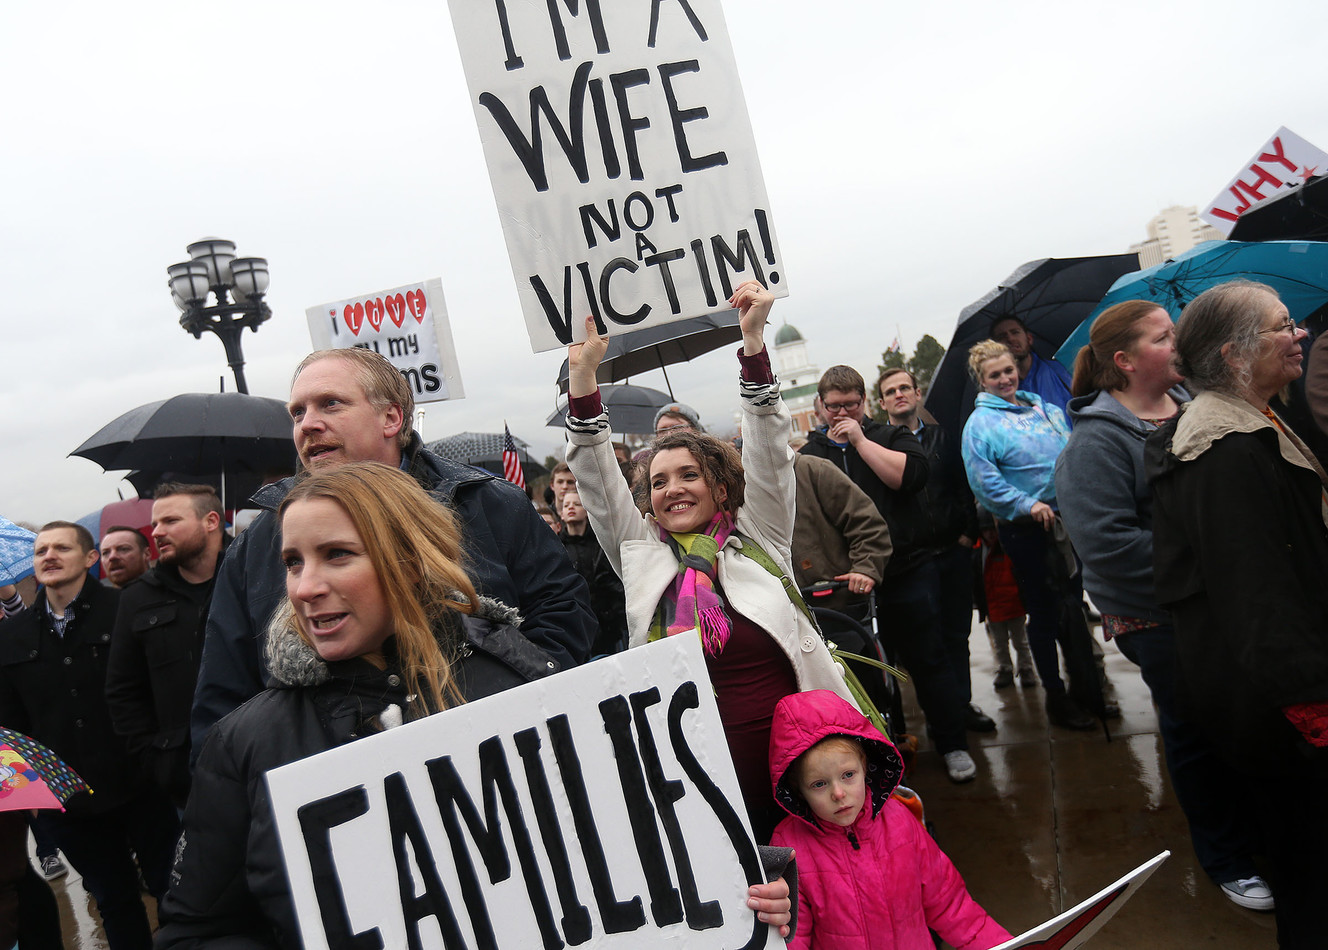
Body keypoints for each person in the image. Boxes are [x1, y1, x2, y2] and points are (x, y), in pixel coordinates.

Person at [157, 462, 791, 946]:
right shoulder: (246, 744)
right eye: (292, 562)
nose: (306, 587)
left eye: (337, 555)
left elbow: (611, 850)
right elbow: (198, 930)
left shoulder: (516, 682)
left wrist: (736, 880)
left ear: (409, 562)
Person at [191, 347, 596, 759]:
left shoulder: (490, 503)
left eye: (330, 403)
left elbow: (562, 617)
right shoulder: (256, 547)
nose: (308, 424)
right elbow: (224, 701)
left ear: (391, 418)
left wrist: (514, 702)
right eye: (297, 413)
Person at [565, 281, 861, 839]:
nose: (671, 489)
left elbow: (771, 451)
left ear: (720, 488)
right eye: (657, 482)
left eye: (688, 475)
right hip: (692, 776)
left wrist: (752, 343)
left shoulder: (760, 535)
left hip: (802, 770)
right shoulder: (643, 553)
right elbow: (599, 484)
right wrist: (584, 381)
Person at [1055, 300, 1270, 911]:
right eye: (1163, 336)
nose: (1178, 343)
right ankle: (1226, 858)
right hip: (1160, 618)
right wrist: (1219, 550)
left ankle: (1258, 835)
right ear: (1124, 362)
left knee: (1243, 725)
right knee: (1197, 732)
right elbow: (1108, 545)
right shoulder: (1093, 445)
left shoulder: (1199, 410)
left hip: (1227, 604)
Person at [1147, 281, 1328, 947]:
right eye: (1283, 326)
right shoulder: (1223, 450)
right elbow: (1256, 593)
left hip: (1278, 693)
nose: (1300, 334)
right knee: (1310, 871)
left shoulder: (1258, 417)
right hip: (1280, 709)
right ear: (1237, 354)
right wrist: (1311, 704)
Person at [0, 522, 178, 950]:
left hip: (140, 783)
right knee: (114, 902)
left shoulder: (126, 609)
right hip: (71, 801)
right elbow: (10, 723)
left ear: (90, 557)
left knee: (172, 891)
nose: (49, 556)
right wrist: (30, 797)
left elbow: (159, 691)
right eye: (42, 550)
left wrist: (162, 760)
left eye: (62, 547)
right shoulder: (13, 636)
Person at [802, 365, 978, 783]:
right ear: (821, 407)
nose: (842, 413)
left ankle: (952, 742)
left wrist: (860, 440)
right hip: (849, 584)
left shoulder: (889, 437)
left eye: (851, 404)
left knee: (929, 659)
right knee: (871, 670)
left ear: (865, 403)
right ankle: (890, 747)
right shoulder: (812, 455)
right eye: (834, 406)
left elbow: (910, 478)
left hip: (906, 570)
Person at [768, 689, 1011, 950]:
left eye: (848, 775)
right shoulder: (790, 846)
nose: (838, 793)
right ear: (796, 789)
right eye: (819, 784)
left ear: (865, 766)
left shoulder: (900, 821)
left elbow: (952, 905)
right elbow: (791, 938)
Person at [960, 340, 1100, 731]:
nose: (1004, 379)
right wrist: (1026, 505)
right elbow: (984, 482)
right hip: (1026, 531)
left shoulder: (1046, 408)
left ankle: (1087, 689)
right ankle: (1056, 699)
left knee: (1074, 608)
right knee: (1044, 614)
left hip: (1066, 521)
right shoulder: (980, 426)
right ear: (982, 381)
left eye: (1008, 370)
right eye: (994, 375)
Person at [877, 368, 992, 734]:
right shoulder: (880, 446)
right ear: (881, 402)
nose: (899, 395)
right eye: (890, 391)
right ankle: (938, 712)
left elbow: (965, 487)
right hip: (911, 563)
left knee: (957, 635)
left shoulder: (944, 437)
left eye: (904, 388)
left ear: (917, 392)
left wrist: (967, 533)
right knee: (924, 645)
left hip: (952, 552)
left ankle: (961, 704)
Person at [106, 483, 228, 810]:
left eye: (170, 521)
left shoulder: (248, 574)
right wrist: (156, 758)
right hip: (186, 775)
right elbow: (123, 688)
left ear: (211, 521)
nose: (157, 532)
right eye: (156, 523)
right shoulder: (137, 597)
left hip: (262, 754)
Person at [558, 490, 627, 657]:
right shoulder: (556, 547)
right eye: (566, 505)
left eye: (577, 504)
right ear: (561, 514)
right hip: (575, 626)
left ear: (587, 511)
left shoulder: (601, 543)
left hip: (608, 624)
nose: (571, 508)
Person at [990, 315, 1073, 418]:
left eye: (1015, 332)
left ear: (1029, 338)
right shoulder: (1000, 391)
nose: (1010, 338)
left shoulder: (1059, 370)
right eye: (1002, 336)